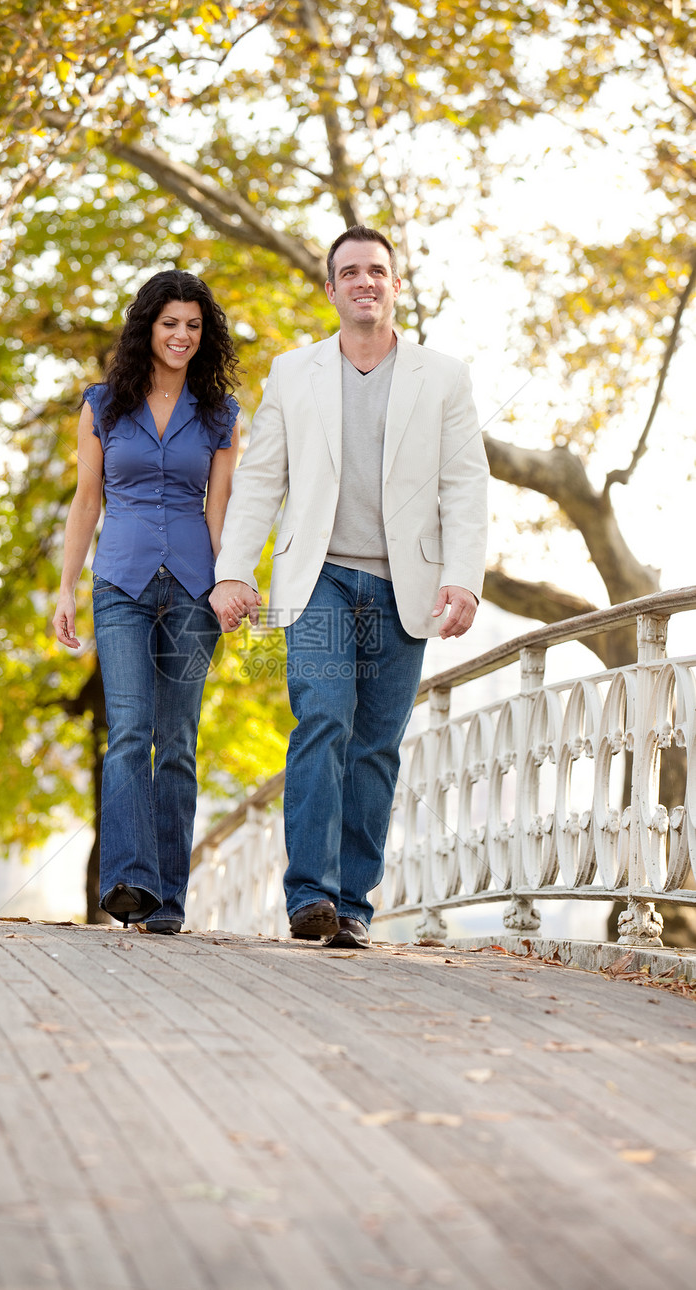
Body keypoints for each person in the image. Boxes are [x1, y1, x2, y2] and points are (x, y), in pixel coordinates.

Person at [210, 226, 488, 949]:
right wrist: (233, 570)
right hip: (319, 578)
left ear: (396, 286)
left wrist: (464, 577)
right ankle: (311, 896)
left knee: (376, 747)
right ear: (331, 289)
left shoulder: (444, 377)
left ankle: (354, 907)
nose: (365, 281)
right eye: (350, 273)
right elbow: (262, 477)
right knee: (323, 720)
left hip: (406, 582)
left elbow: (464, 484)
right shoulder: (293, 371)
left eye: (378, 271)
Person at [53, 270, 240, 933]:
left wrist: (226, 583)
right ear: (147, 329)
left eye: (193, 325)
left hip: (193, 589)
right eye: (170, 324)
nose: (181, 336)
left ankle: (168, 902)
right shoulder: (103, 405)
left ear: (204, 334)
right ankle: (130, 881)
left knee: (179, 743)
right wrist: (67, 588)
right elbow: (85, 501)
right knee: (129, 733)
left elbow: (220, 509)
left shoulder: (219, 415)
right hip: (122, 586)